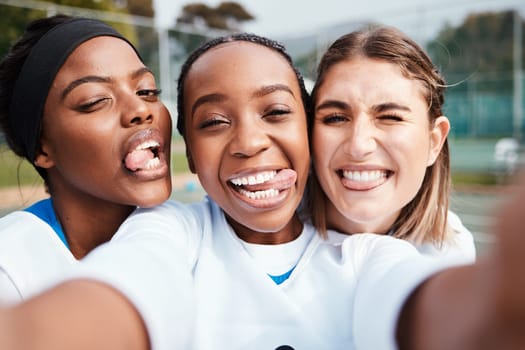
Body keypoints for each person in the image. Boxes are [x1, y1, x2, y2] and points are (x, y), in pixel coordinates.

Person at [0, 31, 524, 350]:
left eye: (277, 112)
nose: (250, 142)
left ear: (307, 129)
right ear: (188, 146)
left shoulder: (368, 254)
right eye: (213, 122)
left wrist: (493, 308)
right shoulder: (167, 232)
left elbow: (425, 305)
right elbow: (127, 293)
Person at [0, 15, 172, 304]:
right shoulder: (12, 266)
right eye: (95, 100)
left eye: (147, 90)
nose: (140, 108)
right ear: (43, 148)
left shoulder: (196, 234)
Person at [306, 26, 476, 262]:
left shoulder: (452, 251)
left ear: (434, 141)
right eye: (335, 118)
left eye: (390, 117)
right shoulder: (258, 245)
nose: (358, 145)